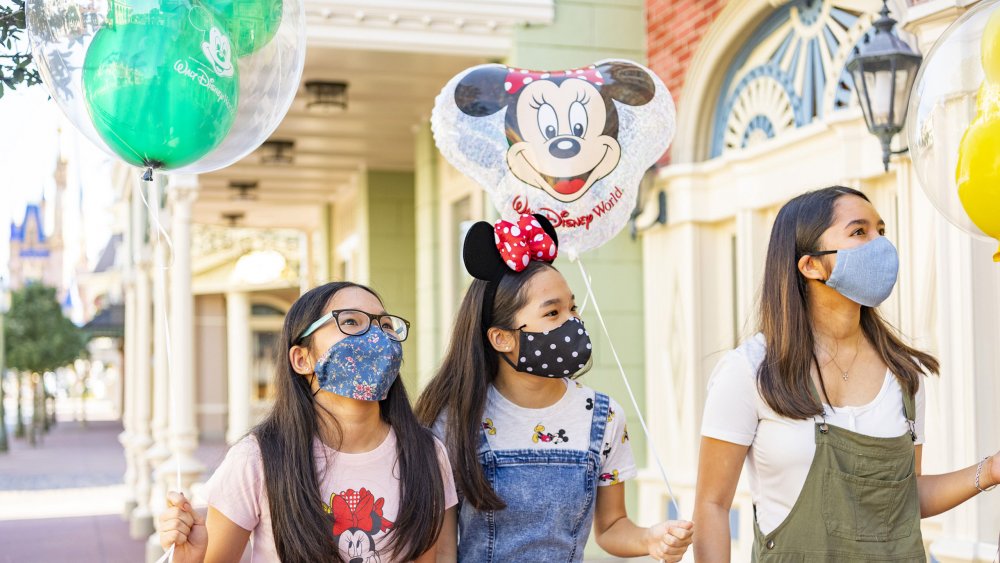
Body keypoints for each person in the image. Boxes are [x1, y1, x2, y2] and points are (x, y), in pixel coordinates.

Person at [694, 186, 999, 561]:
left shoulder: (904, 376)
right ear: (810, 265)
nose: (881, 245)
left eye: (881, 231)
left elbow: (903, 498)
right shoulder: (750, 371)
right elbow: (712, 504)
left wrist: (990, 471)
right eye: (859, 232)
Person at [416, 213, 693, 562]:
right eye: (552, 313)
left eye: (573, 308)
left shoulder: (603, 417)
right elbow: (442, 550)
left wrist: (652, 539)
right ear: (501, 338)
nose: (573, 321)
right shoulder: (455, 422)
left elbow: (610, 527)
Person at [158, 282, 458, 562]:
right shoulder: (257, 459)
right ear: (302, 359)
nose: (377, 337)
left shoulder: (428, 454)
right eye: (352, 322)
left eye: (386, 325)